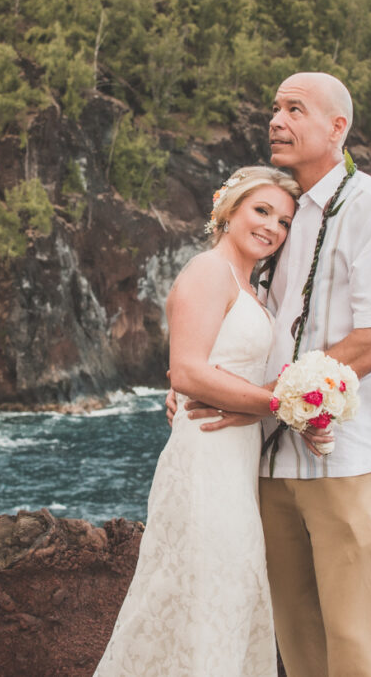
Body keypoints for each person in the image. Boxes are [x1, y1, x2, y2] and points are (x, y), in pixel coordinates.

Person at [167, 72, 371, 677]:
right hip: (262, 462)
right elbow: (242, 319)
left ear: (336, 127)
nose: (276, 120)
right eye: (274, 108)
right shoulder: (280, 213)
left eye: (295, 109)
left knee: (356, 641)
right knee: (295, 640)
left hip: (338, 457)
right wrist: (202, 379)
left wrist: (262, 400)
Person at [94, 166, 300, 677]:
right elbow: (187, 369)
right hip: (206, 459)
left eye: (284, 221)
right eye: (262, 211)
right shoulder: (209, 272)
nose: (273, 226)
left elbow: (223, 365)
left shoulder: (252, 287)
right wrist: (280, 407)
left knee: (227, 596)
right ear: (228, 213)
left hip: (236, 463)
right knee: (204, 594)